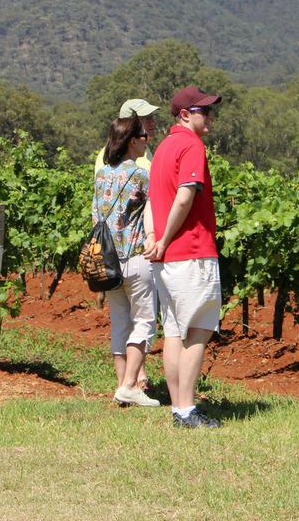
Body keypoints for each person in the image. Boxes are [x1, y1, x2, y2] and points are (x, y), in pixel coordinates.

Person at [145, 85, 223, 429]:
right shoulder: (192, 146)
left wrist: (154, 239)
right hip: (191, 251)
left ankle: (178, 409)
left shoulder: (162, 149)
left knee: (175, 331)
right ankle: (187, 411)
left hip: (168, 259)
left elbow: (151, 202)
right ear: (185, 115)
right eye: (204, 111)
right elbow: (185, 196)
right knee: (198, 331)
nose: (210, 117)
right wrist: (165, 238)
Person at [93, 114, 160, 408]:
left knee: (119, 323)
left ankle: (121, 387)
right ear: (133, 141)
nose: (148, 141)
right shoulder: (143, 176)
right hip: (134, 258)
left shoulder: (101, 175)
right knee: (145, 321)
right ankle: (131, 385)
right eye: (144, 136)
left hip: (107, 262)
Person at [94, 98, 160, 175]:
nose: (153, 122)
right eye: (146, 118)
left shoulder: (144, 149)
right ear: (129, 125)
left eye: (152, 117)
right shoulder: (110, 154)